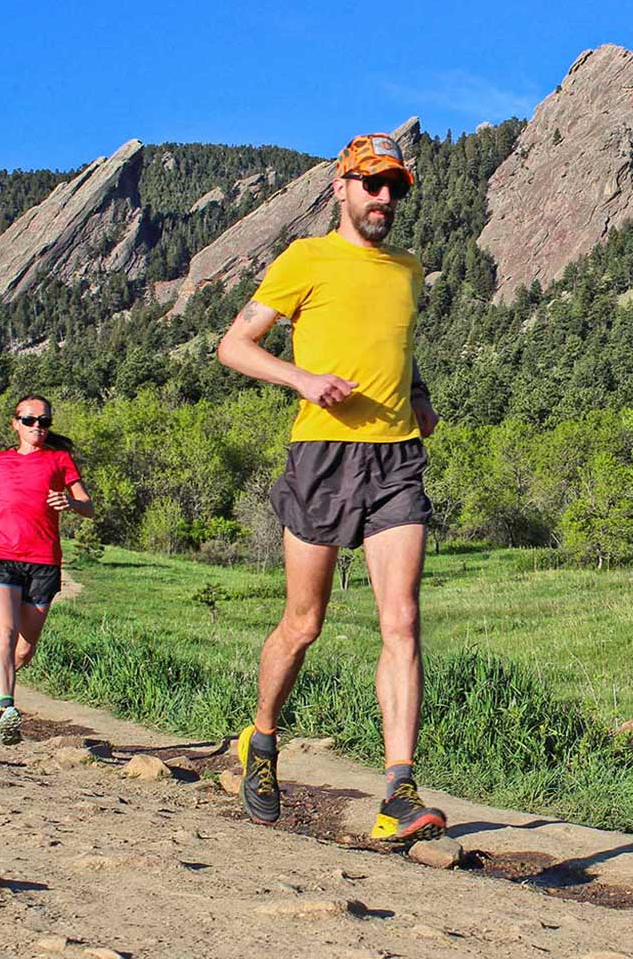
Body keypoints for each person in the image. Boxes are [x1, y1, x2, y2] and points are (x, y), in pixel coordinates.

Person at [217, 132, 446, 841]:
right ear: (340, 189)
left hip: (396, 460)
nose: (385, 198)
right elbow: (234, 345)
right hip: (321, 455)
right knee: (303, 624)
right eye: (372, 184)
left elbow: (396, 349)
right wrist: (305, 380)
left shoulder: (409, 270)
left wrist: (419, 394)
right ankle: (261, 741)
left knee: (402, 621)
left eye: (395, 188)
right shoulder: (305, 259)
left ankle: (398, 791)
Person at [0, 395, 93, 745]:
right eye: (30, 420)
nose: (38, 427)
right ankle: (7, 708)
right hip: (1, 554)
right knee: (3, 633)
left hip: (43, 561)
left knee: (24, 650)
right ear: (15, 423)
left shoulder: (59, 459)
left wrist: (71, 502)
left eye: (44, 421)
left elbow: (88, 506)